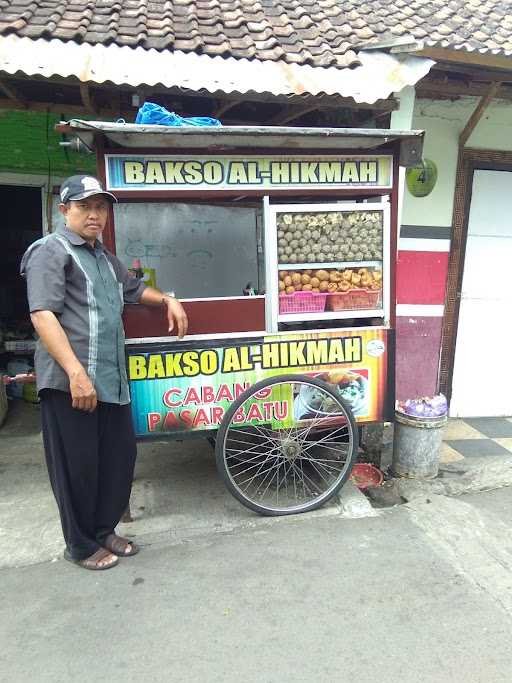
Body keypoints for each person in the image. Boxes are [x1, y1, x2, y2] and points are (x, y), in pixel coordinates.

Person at [20, 174, 188, 571]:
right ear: (65, 211)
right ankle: (79, 544)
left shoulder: (103, 257)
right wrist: (76, 373)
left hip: (110, 381)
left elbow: (132, 290)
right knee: (77, 466)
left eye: (101, 207)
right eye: (85, 207)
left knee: (117, 458)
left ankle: (103, 528)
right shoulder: (51, 251)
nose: (95, 215)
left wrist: (167, 299)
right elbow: (42, 314)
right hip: (71, 382)